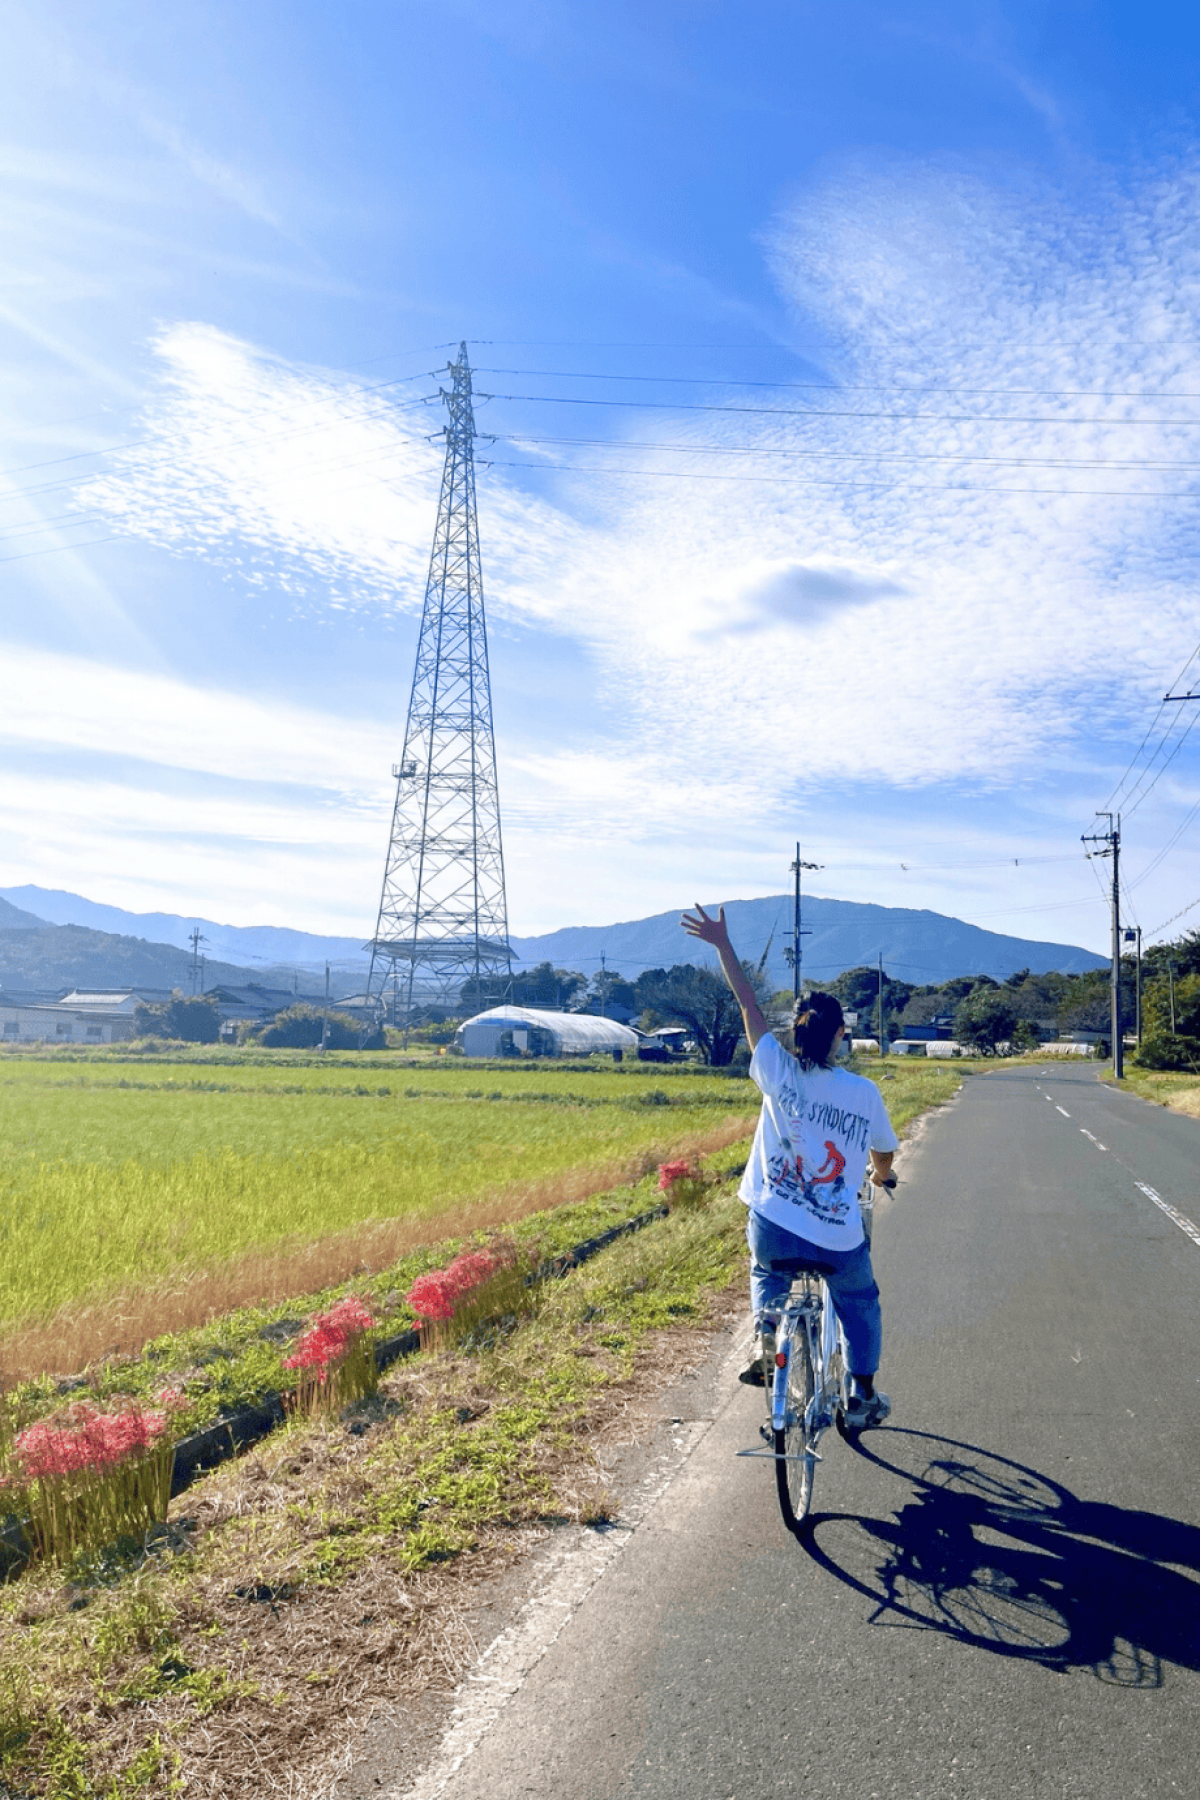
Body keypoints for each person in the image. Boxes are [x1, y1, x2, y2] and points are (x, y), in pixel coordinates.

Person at [681, 902, 898, 1429]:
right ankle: (861, 1394)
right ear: (839, 1037)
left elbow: (748, 1005)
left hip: (774, 1225)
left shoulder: (776, 1070)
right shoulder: (863, 1092)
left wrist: (723, 944)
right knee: (860, 1301)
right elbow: (885, 1152)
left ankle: (767, 1331)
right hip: (836, 1239)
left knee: (765, 1269)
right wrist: (880, 1174)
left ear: (798, 1034)